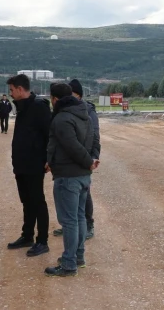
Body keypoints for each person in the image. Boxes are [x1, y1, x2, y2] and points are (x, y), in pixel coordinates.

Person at [44, 83, 100, 277]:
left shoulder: (61, 119)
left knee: (69, 221)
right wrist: (91, 160)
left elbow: (72, 146)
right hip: (83, 176)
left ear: (55, 99)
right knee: (78, 217)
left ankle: (69, 263)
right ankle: (78, 256)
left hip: (68, 177)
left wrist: (88, 162)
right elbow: (94, 140)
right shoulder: (85, 114)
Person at [6, 74, 52, 257]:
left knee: (38, 201)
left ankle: (42, 241)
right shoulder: (22, 108)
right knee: (26, 201)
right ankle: (27, 236)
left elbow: (50, 134)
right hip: (21, 164)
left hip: (34, 163)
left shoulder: (39, 107)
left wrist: (50, 158)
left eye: (11, 90)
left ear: (19, 89)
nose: (10, 93)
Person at [53, 79, 99, 240]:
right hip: (70, 163)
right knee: (71, 202)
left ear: (77, 95)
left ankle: (89, 224)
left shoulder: (88, 111)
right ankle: (70, 227)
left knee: (84, 197)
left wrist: (93, 158)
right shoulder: (65, 112)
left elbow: (95, 136)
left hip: (83, 161)